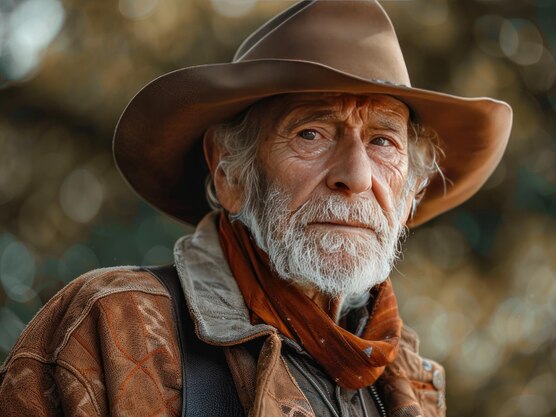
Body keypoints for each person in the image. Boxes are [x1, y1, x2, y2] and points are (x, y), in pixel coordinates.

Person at [0, 1, 512, 416]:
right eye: (311, 133)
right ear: (229, 173)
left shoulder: (411, 386)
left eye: (383, 142)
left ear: (411, 195)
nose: (355, 176)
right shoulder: (115, 328)